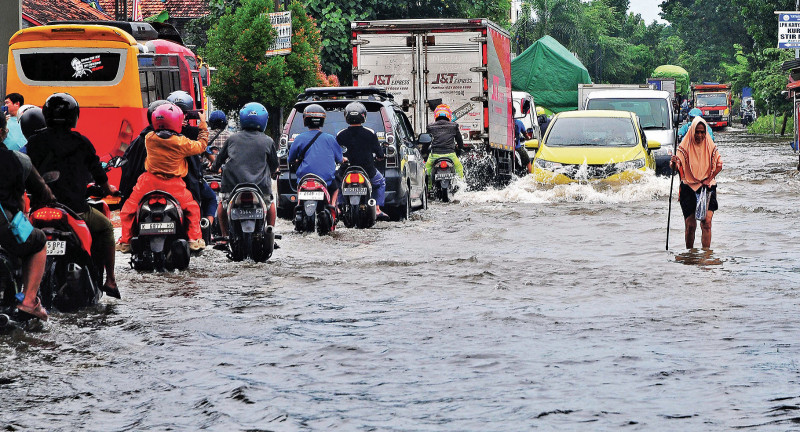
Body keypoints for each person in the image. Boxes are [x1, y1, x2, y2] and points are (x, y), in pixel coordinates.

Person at [25, 93, 121, 299]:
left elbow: (25, 170)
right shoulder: (81, 142)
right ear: (74, 116)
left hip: (39, 209)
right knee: (106, 228)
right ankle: (110, 280)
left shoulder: (34, 142)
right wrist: (107, 189)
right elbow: (97, 171)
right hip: (75, 210)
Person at [117, 103, 209, 252]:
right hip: (174, 186)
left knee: (128, 210)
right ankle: (194, 240)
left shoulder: (149, 138)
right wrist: (203, 125)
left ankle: (125, 242)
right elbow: (201, 146)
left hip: (147, 182)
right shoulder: (182, 143)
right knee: (192, 209)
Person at [0, 114, 57, 320]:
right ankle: (29, 301)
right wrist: (50, 196)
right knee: (39, 240)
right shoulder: (19, 159)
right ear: (1, 133)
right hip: (6, 229)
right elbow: (43, 191)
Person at [212, 102, 279, 242]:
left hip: (232, 186)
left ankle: (224, 236)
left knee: (222, 204)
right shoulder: (268, 141)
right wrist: (273, 173)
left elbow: (218, 161)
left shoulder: (232, 139)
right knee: (270, 203)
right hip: (261, 187)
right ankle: (270, 233)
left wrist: (214, 168)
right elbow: (274, 166)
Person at [670, 117, 723, 249]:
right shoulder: (684, 147)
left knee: (707, 223)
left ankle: (706, 255)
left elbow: (719, 165)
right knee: (690, 225)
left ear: (706, 132)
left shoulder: (710, 146)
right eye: (697, 132)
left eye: (702, 132)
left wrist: (709, 178)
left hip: (707, 187)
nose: (699, 136)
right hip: (688, 187)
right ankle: (690, 255)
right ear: (692, 131)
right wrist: (673, 163)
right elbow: (676, 167)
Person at [335, 101, 389, 220]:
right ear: (363, 116)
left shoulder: (340, 134)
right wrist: (381, 156)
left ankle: (338, 208)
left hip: (345, 170)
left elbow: (336, 153)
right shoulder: (370, 133)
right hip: (368, 171)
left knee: (336, 184)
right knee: (380, 182)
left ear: (346, 116)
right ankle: (377, 209)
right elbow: (379, 153)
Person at [288, 104, 343, 205]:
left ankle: (299, 205)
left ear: (305, 120)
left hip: (304, 178)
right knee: (336, 188)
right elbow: (339, 159)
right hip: (326, 180)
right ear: (322, 120)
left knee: (299, 187)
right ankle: (333, 206)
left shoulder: (299, 138)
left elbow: (290, 158)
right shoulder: (330, 138)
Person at [424, 104, 465, 188]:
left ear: (436, 115)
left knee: (426, 169)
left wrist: (423, 152)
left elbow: (427, 141)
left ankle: (428, 189)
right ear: (448, 115)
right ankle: (460, 187)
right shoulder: (454, 126)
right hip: (450, 155)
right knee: (459, 168)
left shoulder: (430, 127)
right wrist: (460, 148)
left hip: (434, 155)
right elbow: (459, 141)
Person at [512, 106, 531, 174]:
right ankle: (530, 175)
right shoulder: (519, 123)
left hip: (505, 148)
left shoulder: (504, 123)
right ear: (514, 113)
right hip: (517, 148)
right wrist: (528, 138)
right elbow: (526, 135)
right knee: (528, 161)